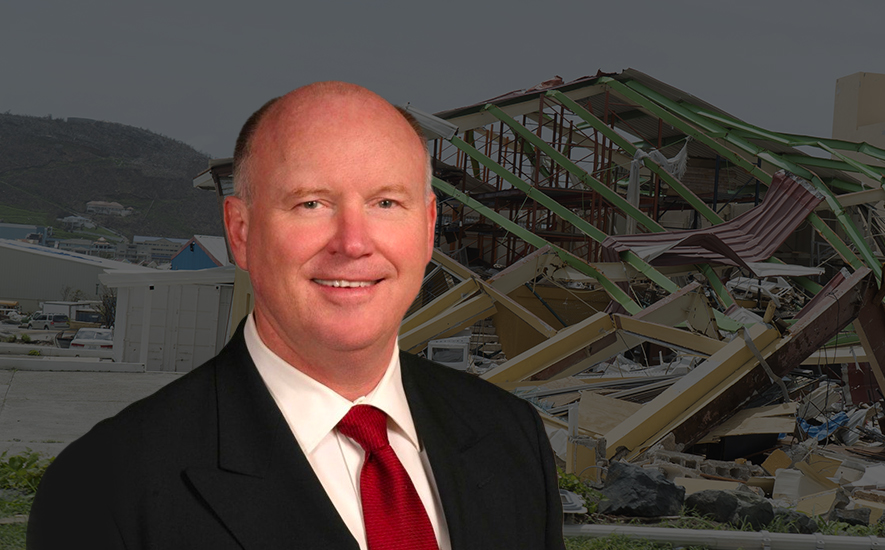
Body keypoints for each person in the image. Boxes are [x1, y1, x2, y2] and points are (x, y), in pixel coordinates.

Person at [29, 82, 564, 549]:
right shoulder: (106, 483)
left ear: (427, 228)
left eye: (385, 204)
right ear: (240, 231)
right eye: (311, 203)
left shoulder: (509, 435)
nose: (353, 244)